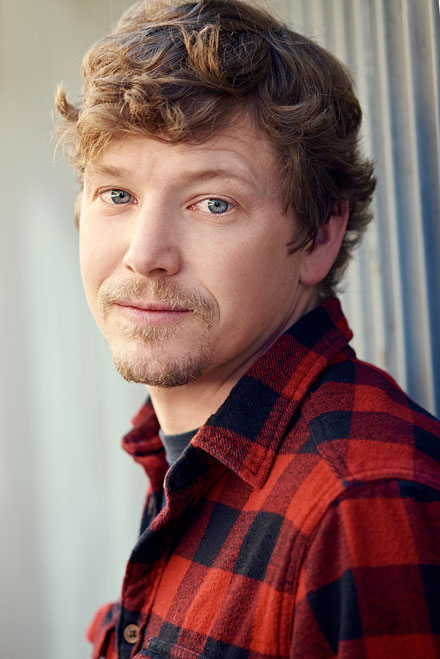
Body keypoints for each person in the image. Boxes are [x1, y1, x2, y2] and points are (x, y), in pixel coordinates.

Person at [55, 0, 440, 657]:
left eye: (213, 202)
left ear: (319, 235)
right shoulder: (184, 455)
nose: (146, 253)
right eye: (116, 194)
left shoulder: (361, 503)